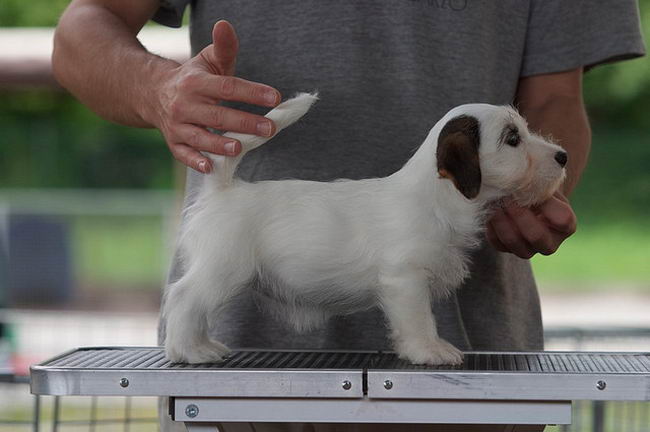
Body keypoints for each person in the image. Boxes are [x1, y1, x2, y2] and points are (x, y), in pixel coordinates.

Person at [52, 1, 645, 431]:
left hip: (476, 387)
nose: (539, 149)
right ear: (458, 163)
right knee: (215, 279)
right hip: (237, 394)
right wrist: (157, 89)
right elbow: (83, 27)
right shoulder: (414, 204)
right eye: (515, 140)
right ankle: (190, 331)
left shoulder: (438, 186)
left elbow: (557, 97)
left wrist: (536, 193)